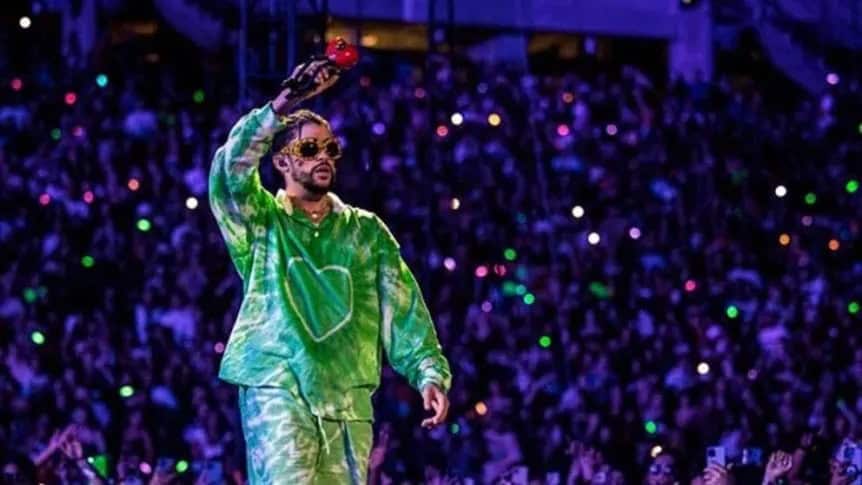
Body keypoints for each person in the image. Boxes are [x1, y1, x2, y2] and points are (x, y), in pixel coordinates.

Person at [208, 59, 452, 484]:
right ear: (281, 162)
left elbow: (403, 308)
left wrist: (428, 372)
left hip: (347, 401)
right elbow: (230, 173)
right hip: (277, 385)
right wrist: (284, 102)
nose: (323, 157)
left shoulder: (366, 232)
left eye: (330, 149)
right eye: (309, 149)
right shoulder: (261, 222)